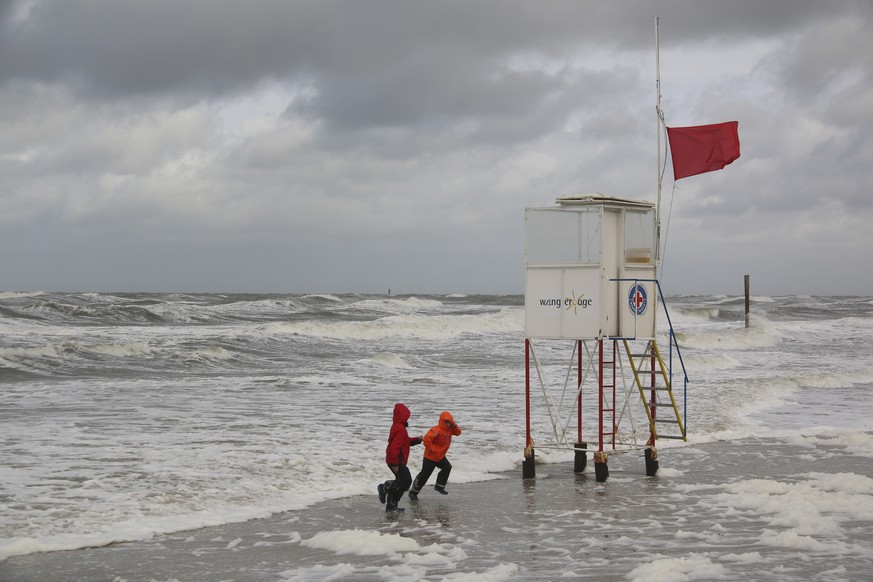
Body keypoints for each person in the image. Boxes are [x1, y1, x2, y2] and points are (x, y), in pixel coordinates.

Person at [378, 403, 422, 512]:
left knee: (401, 483)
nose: (407, 418)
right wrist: (395, 464)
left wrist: (417, 440)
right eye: (406, 416)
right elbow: (394, 447)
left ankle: (391, 506)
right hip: (397, 460)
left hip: (397, 460)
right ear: (402, 416)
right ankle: (384, 487)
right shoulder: (400, 429)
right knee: (406, 481)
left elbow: (405, 442)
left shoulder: (398, 427)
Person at [409, 411, 462, 499]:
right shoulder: (436, 430)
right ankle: (413, 493)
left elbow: (458, 433)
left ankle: (439, 486)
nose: (448, 424)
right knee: (424, 476)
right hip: (430, 457)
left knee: (447, 467)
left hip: (440, 456)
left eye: (449, 422)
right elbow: (426, 440)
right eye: (446, 422)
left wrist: (455, 425)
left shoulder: (449, 430)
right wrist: (434, 450)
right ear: (442, 421)